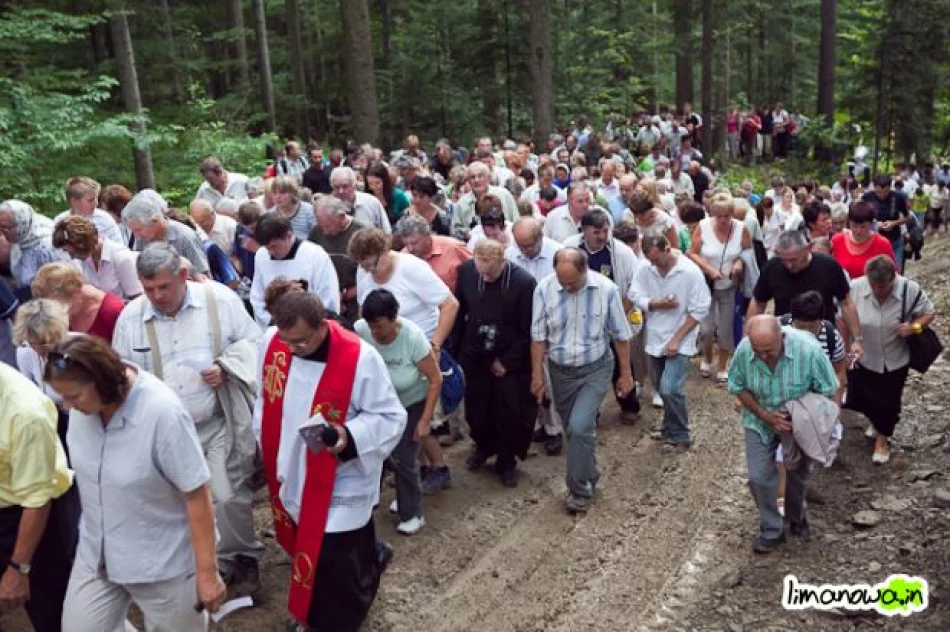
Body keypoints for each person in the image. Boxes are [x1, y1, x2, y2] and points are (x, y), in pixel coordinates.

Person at [110, 242, 264, 591]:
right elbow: (121, 373)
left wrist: (226, 367)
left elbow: (256, 342)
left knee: (226, 495)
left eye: (164, 286)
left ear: (183, 275)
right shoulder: (131, 319)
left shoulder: (219, 302)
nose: (157, 296)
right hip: (165, 432)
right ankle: (199, 562)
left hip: (216, 418)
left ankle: (241, 557)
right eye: (149, 289)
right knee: (179, 500)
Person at [44, 335, 225, 630]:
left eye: (74, 396)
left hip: (164, 564)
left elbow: (197, 494)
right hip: (97, 555)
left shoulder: (162, 413)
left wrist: (208, 574)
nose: (67, 406)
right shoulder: (82, 410)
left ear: (102, 383)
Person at [253, 280, 404, 631]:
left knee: (335, 559)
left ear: (323, 325)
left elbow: (390, 417)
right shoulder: (273, 343)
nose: (293, 349)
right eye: (287, 340)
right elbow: (265, 397)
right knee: (310, 551)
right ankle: (357, 573)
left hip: (340, 474)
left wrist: (345, 436)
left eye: (302, 340)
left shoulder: (359, 358)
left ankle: (336, 620)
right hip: (292, 467)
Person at [350, 228, 458, 492]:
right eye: (363, 266)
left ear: (384, 251)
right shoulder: (365, 271)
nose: (368, 271)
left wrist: (435, 344)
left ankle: (438, 466)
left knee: (421, 414)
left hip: (417, 348)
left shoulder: (411, 269)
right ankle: (416, 465)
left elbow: (449, 304)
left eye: (372, 264)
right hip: (386, 352)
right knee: (397, 414)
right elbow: (365, 310)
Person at [530, 248, 634, 513]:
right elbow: (538, 337)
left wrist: (625, 375)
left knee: (579, 426)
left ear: (584, 270)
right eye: (562, 282)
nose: (566, 287)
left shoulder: (606, 290)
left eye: (572, 282)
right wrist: (537, 376)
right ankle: (590, 473)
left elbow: (621, 335)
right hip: (560, 371)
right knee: (575, 432)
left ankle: (578, 490)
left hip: (595, 368)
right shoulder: (544, 289)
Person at [727, 315, 839, 553]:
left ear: (782, 337)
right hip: (759, 420)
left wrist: (800, 415)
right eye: (758, 351)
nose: (763, 357)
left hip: (798, 422)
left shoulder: (809, 350)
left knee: (797, 475)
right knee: (758, 477)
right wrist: (763, 414)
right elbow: (737, 386)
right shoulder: (745, 350)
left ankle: (796, 516)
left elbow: (828, 389)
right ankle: (772, 528)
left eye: (769, 350)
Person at [0, 360, 79, 632]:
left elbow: (37, 500)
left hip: (30, 516)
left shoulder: (25, 412)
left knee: (51, 614)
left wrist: (18, 569)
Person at [356, 289, 441, 535]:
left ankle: (413, 512)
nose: (375, 333)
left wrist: (425, 421)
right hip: (378, 404)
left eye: (380, 326)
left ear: (394, 319)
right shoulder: (361, 330)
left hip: (411, 404)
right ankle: (392, 497)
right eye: (371, 326)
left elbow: (435, 380)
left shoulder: (413, 339)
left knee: (405, 458)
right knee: (379, 455)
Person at [456, 240, 538, 486]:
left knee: (508, 414)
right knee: (476, 411)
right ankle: (483, 446)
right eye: (481, 273)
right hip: (475, 353)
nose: (486, 278)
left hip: (508, 357)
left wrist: (507, 361)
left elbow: (528, 329)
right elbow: (460, 313)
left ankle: (506, 460)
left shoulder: (523, 283)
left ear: (503, 261)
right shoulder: (467, 273)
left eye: (490, 273)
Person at [847, 255, 935, 464]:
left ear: (893, 279)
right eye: (874, 285)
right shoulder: (855, 288)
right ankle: (876, 421)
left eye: (883, 287)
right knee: (865, 398)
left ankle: (882, 439)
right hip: (865, 357)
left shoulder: (908, 289)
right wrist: (851, 343)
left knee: (889, 402)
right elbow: (843, 316)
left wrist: (914, 327)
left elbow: (929, 312)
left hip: (896, 358)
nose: (878, 290)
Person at [563, 208, 643, 422]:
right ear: (584, 231)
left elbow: (634, 289)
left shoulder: (622, 253)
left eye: (605, 231)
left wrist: (618, 315)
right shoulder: (571, 248)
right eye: (596, 232)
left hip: (613, 317)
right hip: (581, 319)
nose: (601, 236)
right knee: (585, 367)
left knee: (621, 362)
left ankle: (629, 405)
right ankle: (590, 411)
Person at [631, 235, 710, 450]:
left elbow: (700, 308)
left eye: (657, 260)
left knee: (670, 388)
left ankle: (681, 434)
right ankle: (668, 424)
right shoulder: (645, 267)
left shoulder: (690, 272)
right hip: (655, 335)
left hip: (681, 337)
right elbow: (634, 293)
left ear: (667, 249)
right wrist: (653, 303)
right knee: (658, 385)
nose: (654, 265)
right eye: (650, 260)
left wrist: (677, 338)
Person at [775, 290, 848, 514]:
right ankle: (781, 497)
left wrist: (834, 409)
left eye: (811, 327)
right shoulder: (777, 329)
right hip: (781, 397)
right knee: (780, 450)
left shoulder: (831, 335)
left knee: (807, 451)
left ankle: (798, 491)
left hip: (814, 401)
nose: (806, 332)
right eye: (801, 326)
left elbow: (839, 373)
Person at [748, 231, 864, 363]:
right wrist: (748, 337)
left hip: (821, 338)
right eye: (784, 260)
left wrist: (856, 339)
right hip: (785, 340)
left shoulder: (828, 266)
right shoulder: (772, 267)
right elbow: (758, 302)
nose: (789, 265)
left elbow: (846, 303)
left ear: (808, 248)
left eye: (794, 260)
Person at [688, 191, 752, 382]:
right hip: (706, 285)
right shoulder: (703, 226)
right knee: (707, 328)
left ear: (733, 212)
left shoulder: (742, 228)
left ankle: (723, 365)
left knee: (725, 328)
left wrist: (739, 263)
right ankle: (707, 358)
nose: (723, 219)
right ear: (713, 214)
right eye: (719, 215)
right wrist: (708, 269)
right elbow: (692, 252)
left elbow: (748, 251)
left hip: (729, 285)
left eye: (727, 215)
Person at [251, 213, 340, 326]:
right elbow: (257, 296)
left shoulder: (315, 255)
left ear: (288, 236)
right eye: (267, 247)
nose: (270, 252)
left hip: (309, 327)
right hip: (273, 326)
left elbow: (328, 297)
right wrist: (272, 321)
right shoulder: (261, 255)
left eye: (274, 246)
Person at [308, 195, 367, 327]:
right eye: (321, 226)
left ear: (341, 217)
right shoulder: (316, 233)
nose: (325, 232)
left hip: (355, 302)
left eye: (328, 226)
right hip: (325, 300)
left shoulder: (361, 234)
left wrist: (344, 296)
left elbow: (372, 276)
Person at [52, 215, 142, 301]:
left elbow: (138, 300)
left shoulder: (121, 258)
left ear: (84, 244)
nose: (72, 257)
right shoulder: (85, 260)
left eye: (73, 252)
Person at [30, 261, 124, 344]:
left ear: (76, 293)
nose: (56, 314)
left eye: (60, 307)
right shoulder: (72, 308)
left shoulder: (111, 312)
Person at [122, 190, 211, 275]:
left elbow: (203, 276)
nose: (137, 237)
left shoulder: (185, 237)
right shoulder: (142, 239)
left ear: (155, 221)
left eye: (138, 230)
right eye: (133, 231)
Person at [0, 200, 70, 295]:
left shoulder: (47, 247)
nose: (3, 232)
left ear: (21, 224)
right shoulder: (20, 240)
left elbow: (64, 283)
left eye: (6, 227)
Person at [397, 214, 472, 295]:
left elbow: (477, 269)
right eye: (406, 244)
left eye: (414, 243)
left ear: (427, 235)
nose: (410, 248)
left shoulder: (453, 247)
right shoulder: (402, 258)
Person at [830, 200, 896, 279]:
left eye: (863, 226)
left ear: (871, 224)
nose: (858, 231)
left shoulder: (882, 244)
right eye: (854, 226)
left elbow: (893, 274)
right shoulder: (837, 240)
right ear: (848, 222)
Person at [453, 162, 519, 240]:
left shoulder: (504, 195)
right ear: (468, 181)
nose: (476, 180)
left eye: (480, 176)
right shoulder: (462, 203)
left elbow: (516, 221)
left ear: (488, 178)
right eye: (472, 177)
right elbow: (455, 231)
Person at [52, 177, 124, 244]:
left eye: (96, 198)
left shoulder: (104, 219)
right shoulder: (60, 222)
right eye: (90, 200)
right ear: (74, 201)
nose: (96, 203)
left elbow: (119, 246)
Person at [331, 166, 392, 233]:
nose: (341, 191)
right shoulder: (326, 207)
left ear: (354, 185)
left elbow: (387, 232)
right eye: (336, 187)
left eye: (345, 186)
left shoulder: (371, 203)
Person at [269, 176, 317, 240]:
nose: (277, 196)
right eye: (274, 192)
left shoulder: (309, 210)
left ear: (293, 193)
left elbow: (317, 238)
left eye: (282, 192)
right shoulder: (270, 215)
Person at [366, 161, 410, 225]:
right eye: (370, 184)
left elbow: (408, 216)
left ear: (385, 180)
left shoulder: (398, 195)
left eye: (378, 183)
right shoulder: (366, 196)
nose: (374, 187)